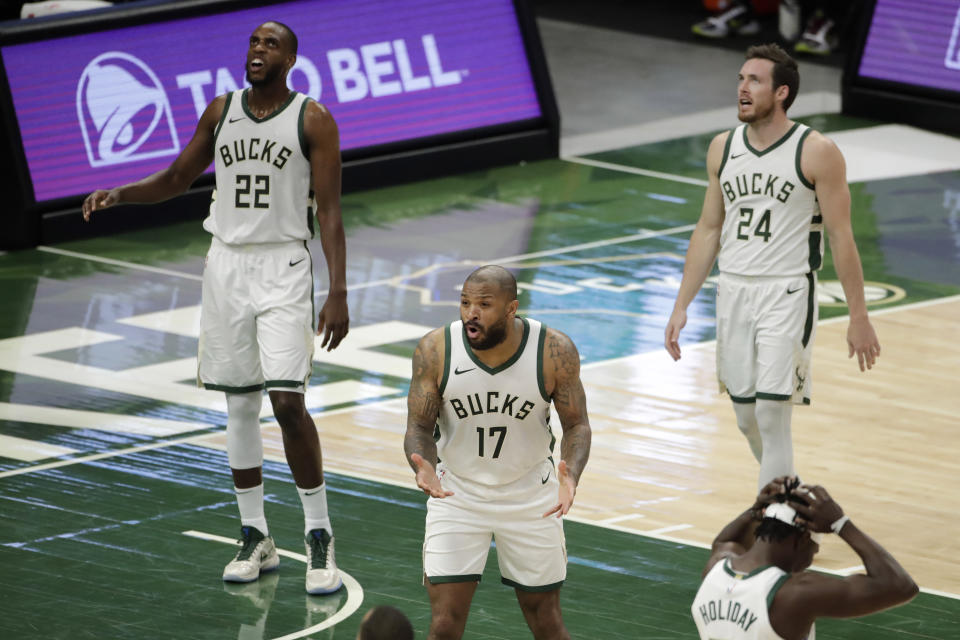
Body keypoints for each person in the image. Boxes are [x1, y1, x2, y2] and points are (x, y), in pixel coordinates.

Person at [82, 21, 348, 594]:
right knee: (240, 407)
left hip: (283, 265)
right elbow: (180, 177)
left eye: (270, 44)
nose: (258, 51)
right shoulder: (220, 110)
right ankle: (255, 534)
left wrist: (338, 291)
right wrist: (122, 193)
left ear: (292, 58)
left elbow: (329, 212)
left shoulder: (313, 119)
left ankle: (319, 534)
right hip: (226, 263)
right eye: (253, 42)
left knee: (287, 403)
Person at [664, 43, 880, 490]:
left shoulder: (816, 151)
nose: (742, 88)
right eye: (741, 79)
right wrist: (681, 304)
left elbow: (842, 236)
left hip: (786, 292)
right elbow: (707, 229)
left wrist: (859, 317)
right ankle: (789, 495)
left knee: (771, 411)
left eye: (754, 80)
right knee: (747, 418)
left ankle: (774, 523)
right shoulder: (723, 148)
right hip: (734, 291)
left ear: (781, 92)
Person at [403, 265, 592, 640]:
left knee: (546, 621)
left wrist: (572, 474)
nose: (471, 313)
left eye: (484, 304)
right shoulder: (436, 349)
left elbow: (577, 425)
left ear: (511, 308)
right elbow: (419, 429)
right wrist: (422, 465)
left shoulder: (553, 350)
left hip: (531, 495)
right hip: (456, 493)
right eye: (465, 302)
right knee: (443, 624)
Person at [693, 476, 918, 639]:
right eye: (814, 550)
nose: (812, 558)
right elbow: (900, 586)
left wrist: (754, 511)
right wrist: (841, 525)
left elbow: (724, 540)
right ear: (801, 541)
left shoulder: (716, 566)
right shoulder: (794, 593)